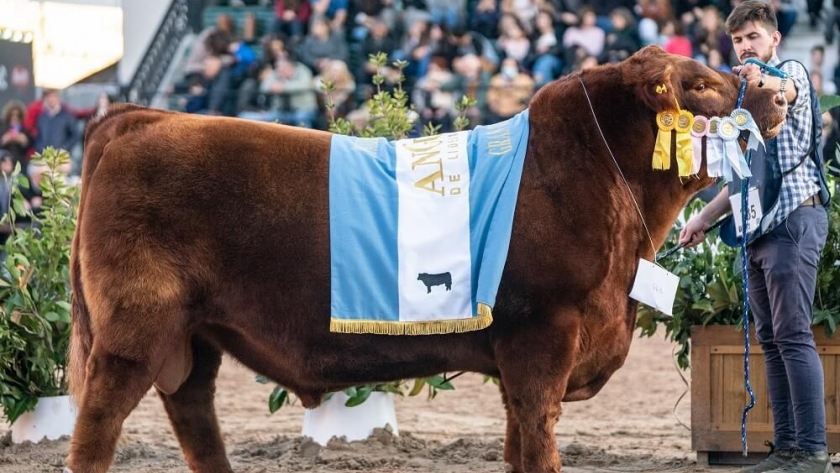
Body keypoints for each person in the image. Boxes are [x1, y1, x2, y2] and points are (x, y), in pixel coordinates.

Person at [679, 2, 831, 473]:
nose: (746, 46)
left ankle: (812, 452)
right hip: (759, 230)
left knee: (793, 336)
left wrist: (756, 79)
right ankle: (787, 449)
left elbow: (785, 89)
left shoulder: (791, 73)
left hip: (794, 221)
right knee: (771, 338)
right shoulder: (742, 104)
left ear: (774, 38)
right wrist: (701, 218)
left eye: (753, 37)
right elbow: (742, 178)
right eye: (739, 40)